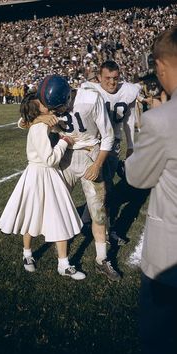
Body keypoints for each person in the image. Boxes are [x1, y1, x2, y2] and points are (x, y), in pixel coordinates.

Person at [20, 74, 121, 282]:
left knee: (98, 211)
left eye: (57, 108)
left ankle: (102, 259)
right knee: (54, 207)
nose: (55, 113)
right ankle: (61, 260)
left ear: (67, 98)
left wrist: (97, 164)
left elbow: (108, 136)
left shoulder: (90, 99)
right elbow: (22, 121)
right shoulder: (46, 103)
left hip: (89, 155)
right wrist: (39, 118)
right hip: (64, 157)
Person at [125, 25, 177, 354]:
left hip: (170, 259)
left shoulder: (162, 121)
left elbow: (137, 178)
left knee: (159, 339)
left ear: (160, 66)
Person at [0, 93, 85, 280]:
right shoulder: (37, 127)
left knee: (59, 215)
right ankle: (27, 254)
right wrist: (64, 141)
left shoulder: (44, 121)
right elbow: (50, 159)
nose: (48, 105)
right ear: (38, 110)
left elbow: (31, 122)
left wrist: (55, 126)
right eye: (43, 105)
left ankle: (64, 264)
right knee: (31, 215)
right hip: (39, 173)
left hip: (48, 175)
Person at [81, 61, 149, 245]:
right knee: (102, 188)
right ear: (99, 78)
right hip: (95, 145)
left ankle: (90, 222)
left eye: (115, 78)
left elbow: (129, 119)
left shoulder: (128, 91)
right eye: (107, 78)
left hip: (113, 145)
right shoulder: (90, 89)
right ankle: (99, 226)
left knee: (103, 189)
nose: (112, 83)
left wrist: (131, 146)